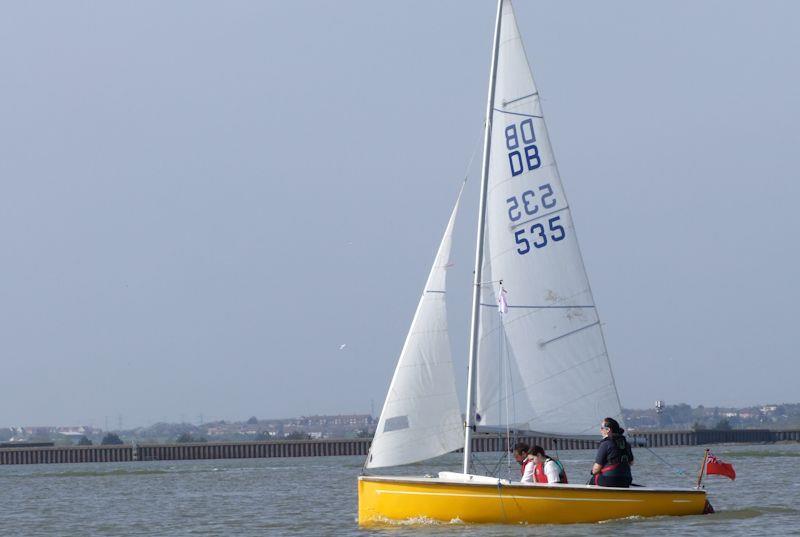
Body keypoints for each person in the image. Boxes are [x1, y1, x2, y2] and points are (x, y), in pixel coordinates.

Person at [591, 417, 634, 487]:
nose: (600, 430)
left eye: (602, 428)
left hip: (610, 480)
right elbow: (631, 462)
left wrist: (592, 472)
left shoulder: (605, 443)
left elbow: (596, 468)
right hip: (627, 479)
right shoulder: (626, 444)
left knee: (593, 479)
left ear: (608, 430)